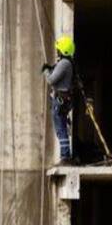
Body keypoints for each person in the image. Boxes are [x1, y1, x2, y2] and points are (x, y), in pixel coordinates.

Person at [42, 35, 75, 165]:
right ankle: (65, 155)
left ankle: (65, 156)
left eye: (58, 49)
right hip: (62, 100)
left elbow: (51, 80)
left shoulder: (64, 63)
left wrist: (46, 71)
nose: (57, 51)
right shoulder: (67, 63)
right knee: (61, 129)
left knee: (61, 129)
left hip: (60, 100)